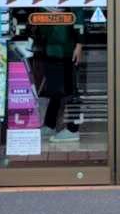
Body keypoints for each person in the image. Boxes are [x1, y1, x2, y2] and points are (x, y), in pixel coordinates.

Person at [32, 9, 83, 142]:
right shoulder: (47, 0)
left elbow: (79, 16)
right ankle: (50, 125)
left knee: (70, 91)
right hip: (52, 50)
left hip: (66, 51)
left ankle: (73, 129)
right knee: (55, 90)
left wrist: (79, 44)